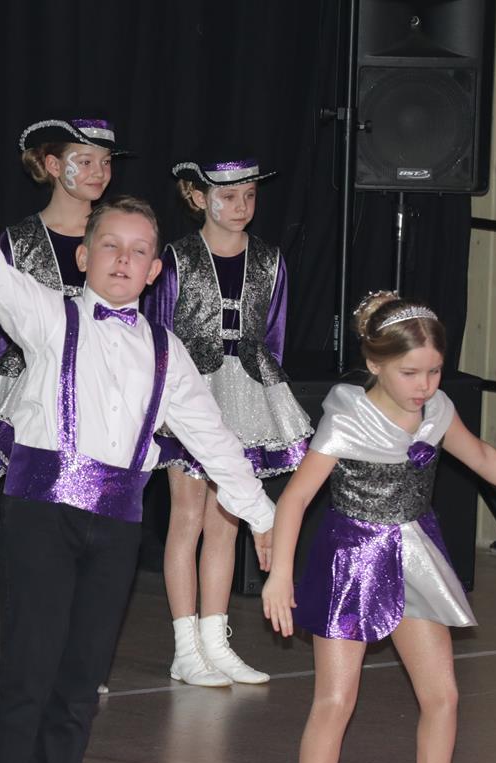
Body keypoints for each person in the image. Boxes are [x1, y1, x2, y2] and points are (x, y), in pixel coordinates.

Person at [0, 143, 276, 763]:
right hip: (41, 514)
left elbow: (214, 441)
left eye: (138, 252)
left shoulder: (167, 352)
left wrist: (262, 516)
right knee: (29, 672)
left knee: (81, 682)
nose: (124, 261)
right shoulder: (50, 316)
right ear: (84, 256)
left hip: (117, 526)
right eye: (110, 247)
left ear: (156, 269)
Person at [261, 292, 496, 763]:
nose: (425, 385)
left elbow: (479, 455)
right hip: (352, 560)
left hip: (414, 556)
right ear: (374, 363)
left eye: (434, 372)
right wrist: (279, 575)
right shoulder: (347, 419)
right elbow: (297, 498)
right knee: (335, 700)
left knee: (443, 695)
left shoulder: (437, 410)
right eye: (410, 373)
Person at [146, 154, 312, 688]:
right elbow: (157, 333)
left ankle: (216, 642)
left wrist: (265, 397)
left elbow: (274, 336)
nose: (241, 206)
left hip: (245, 394)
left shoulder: (269, 260)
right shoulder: (177, 258)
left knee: (228, 520)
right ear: (199, 198)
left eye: (250, 196)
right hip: (191, 394)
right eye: (228, 196)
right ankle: (185, 647)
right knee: (188, 517)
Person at [0, 116, 123, 464]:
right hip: (33, 384)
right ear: (54, 165)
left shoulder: (119, 236)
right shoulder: (19, 241)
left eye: (105, 162)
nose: (99, 172)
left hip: (102, 380)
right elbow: (0, 327)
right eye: (85, 162)